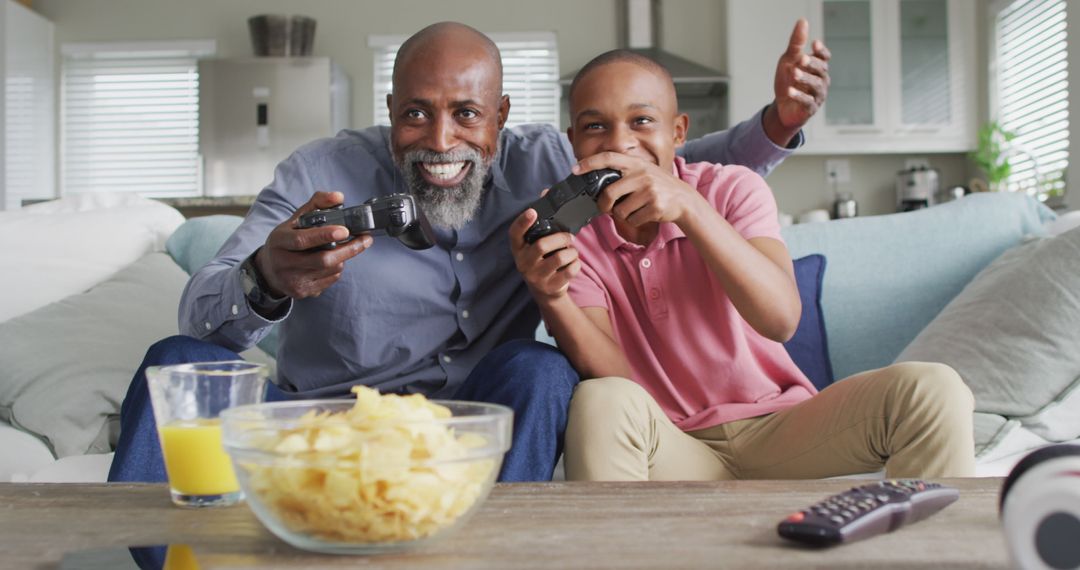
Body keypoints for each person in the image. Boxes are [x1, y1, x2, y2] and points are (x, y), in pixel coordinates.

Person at [109, 20, 832, 484]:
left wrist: (776, 124)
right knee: (174, 361)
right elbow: (202, 312)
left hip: (474, 436)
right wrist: (268, 275)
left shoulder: (550, 161)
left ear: (502, 118)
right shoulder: (317, 174)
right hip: (323, 430)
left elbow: (661, 159)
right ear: (390, 114)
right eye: (416, 113)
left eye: (465, 114)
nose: (441, 140)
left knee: (541, 368)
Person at [509, 49, 975, 481]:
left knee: (934, 388)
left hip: (784, 429)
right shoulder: (572, 234)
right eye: (595, 127)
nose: (620, 143)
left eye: (642, 121)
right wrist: (550, 295)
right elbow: (615, 377)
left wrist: (689, 208)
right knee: (599, 399)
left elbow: (780, 319)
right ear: (574, 142)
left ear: (678, 132)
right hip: (674, 448)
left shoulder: (733, 189)